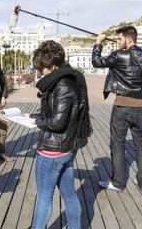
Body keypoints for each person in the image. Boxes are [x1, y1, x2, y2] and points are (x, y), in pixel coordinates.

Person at [92, 26, 142, 192]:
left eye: (119, 39)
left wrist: (98, 43)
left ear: (129, 39)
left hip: (122, 107)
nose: (117, 42)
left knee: (117, 143)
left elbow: (96, 62)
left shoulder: (119, 55)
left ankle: (118, 183)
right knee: (141, 144)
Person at [28, 40, 92, 229]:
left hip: (52, 150)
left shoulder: (62, 85)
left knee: (44, 196)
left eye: (43, 68)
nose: (41, 72)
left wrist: (35, 122)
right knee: (69, 194)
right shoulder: (71, 79)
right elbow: (58, 113)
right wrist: (32, 116)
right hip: (67, 149)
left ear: (53, 66)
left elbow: (56, 122)